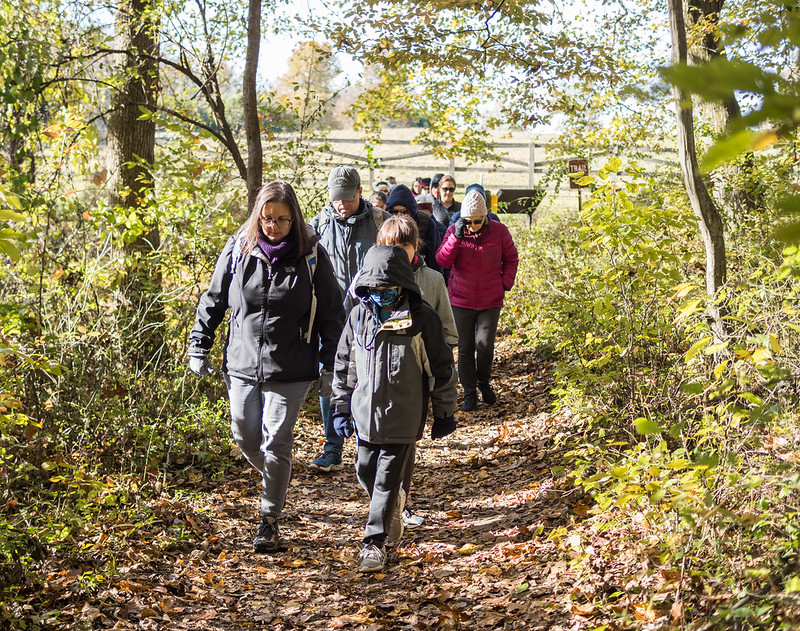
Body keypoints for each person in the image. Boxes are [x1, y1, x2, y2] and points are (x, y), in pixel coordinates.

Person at [188, 180, 345, 553]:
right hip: (241, 363)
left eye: (282, 220)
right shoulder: (238, 248)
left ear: (295, 219)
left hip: (291, 367)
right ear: (258, 216)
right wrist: (199, 345)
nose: (274, 226)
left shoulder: (312, 256)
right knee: (245, 436)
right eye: (267, 218)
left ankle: (269, 518)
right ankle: (279, 476)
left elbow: (333, 316)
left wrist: (330, 368)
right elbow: (213, 300)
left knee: (276, 440)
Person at [331, 245, 458, 572]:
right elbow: (345, 365)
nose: (382, 294)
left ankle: (374, 544)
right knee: (365, 471)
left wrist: (444, 412)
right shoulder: (358, 317)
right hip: (364, 417)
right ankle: (392, 507)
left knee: (387, 481)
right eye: (376, 289)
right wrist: (341, 408)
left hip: (404, 416)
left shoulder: (421, 318)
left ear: (403, 284)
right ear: (366, 288)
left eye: (389, 289)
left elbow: (441, 369)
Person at [307, 166, 391, 473]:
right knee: (329, 379)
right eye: (336, 198)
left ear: (359, 192)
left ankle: (371, 444)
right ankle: (332, 447)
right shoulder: (315, 227)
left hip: (371, 317)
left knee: (372, 380)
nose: (341, 204)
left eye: (347, 197)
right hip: (329, 320)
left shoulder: (381, 223)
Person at [375, 216, 457, 529]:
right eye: (390, 247)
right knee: (372, 450)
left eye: (403, 247)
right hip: (375, 378)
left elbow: (449, 333)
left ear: (415, 248)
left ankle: (399, 503)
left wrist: (432, 354)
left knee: (404, 443)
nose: (396, 254)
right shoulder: (366, 282)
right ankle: (383, 500)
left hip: (415, 380)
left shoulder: (433, 281)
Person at [435, 189, 519, 412]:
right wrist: (456, 237)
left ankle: (483, 381)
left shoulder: (500, 231)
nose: (472, 225)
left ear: (486, 218)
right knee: (464, 348)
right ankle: (470, 391)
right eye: (468, 221)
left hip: (490, 300)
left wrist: (504, 284)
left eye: (477, 221)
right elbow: (442, 260)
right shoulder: (455, 231)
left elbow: (511, 258)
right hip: (461, 300)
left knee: (484, 346)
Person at [385, 184, 443, 275]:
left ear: (411, 210)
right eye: (394, 211)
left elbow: (434, 259)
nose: (399, 215)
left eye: (404, 212)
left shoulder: (426, 223)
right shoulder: (385, 224)